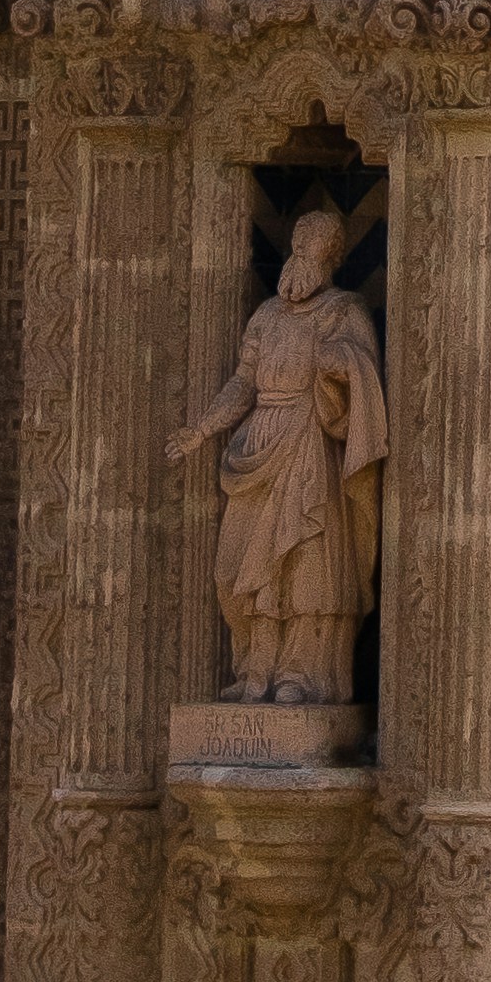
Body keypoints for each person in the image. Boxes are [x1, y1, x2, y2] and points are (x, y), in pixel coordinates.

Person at [175, 212, 393, 714]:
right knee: (238, 567)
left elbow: (363, 373)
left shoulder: (344, 310)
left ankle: (300, 674)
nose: (299, 251)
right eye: (296, 241)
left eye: (312, 244)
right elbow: (242, 382)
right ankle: (255, 670)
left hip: (310, 443)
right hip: (258, 442)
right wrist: (201, 430)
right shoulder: (266, 315)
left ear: (331, 255)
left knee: (304, 562)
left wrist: (343, 363)